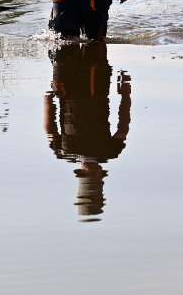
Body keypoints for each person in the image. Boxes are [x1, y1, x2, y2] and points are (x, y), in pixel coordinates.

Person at [43, 42, 131, 218]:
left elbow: (49, 129)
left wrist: (48, 101)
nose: (90, 169)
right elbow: (123, 124)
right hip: (96, 86)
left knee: (65, 46)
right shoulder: (111, 151)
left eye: (87, 173)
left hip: (68, 89)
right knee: (95, 45)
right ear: (100, 173)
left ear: (80, 173)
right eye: (94, 174)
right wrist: (125, 94)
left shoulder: (63, 152)